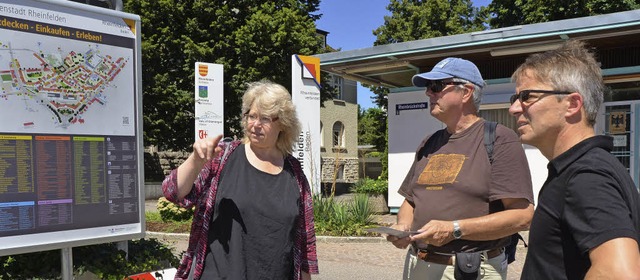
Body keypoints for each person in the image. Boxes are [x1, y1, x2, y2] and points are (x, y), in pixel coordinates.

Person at [386, 57, 535, 280]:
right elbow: (411, 198)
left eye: (436, 87)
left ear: (466, 92)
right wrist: (403, 227)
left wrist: (454, 228)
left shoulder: (500, 139)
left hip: (469, 270)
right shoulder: (430, 142)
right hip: (418, 263)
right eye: (428, 88)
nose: (429, 93)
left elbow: (523, 216)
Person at [161, 80, 319, 280]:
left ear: (283, 123)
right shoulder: (223, 157)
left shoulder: (294, 172)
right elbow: (172, 192)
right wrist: (195, 161)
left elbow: (304, 244)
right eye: (251, 116)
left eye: (265, 118)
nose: (255, 125)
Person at [509, 40, 640, 279]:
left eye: (527, 96)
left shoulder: (586, 175)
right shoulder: (584, 167)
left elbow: (619, 273)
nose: (515, 108)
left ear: (572, 104)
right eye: (515, 98)